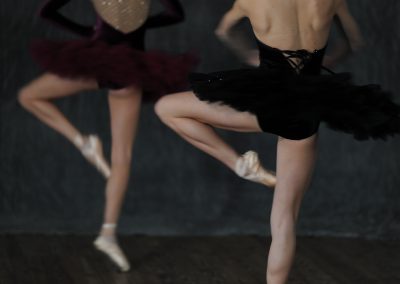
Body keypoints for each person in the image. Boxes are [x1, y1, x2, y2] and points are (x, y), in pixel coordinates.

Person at [155, 0, 400, 283]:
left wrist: (248, 54)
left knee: (167, 108)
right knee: (284, 219)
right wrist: (326, 64)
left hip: (263, 103)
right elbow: (352, 42)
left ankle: (238, 164)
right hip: (305, 110)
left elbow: (224, 31)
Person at [18, 0, 196, 272]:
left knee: (29, 96)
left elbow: (46, 11)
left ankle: (82, 141)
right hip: (131, 67)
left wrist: (90, 32)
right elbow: (176, 14)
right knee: (122, 156)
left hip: (98, 58)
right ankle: (108, 232)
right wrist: (142, 23)